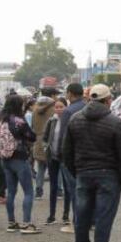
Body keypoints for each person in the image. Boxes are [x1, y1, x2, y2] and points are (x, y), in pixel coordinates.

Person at [62, 83, 121, 242]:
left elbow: (67, 152)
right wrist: (120, 179)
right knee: (103, 220)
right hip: (108, 175)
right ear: (108, 100)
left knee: (82, 219)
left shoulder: (75, 119)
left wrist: (77, 172)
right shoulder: (115, 122)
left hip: (83, 174)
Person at [0, 93, 40, 234]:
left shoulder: (2, 120)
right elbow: (32, 136)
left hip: (6, 159)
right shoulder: (19, 121)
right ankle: (26, 223)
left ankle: (11, 222)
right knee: (28, 191)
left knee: (11, 191)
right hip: (20, 159)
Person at [55, 82, 86, 233]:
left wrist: (59, 154)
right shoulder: (87, 107)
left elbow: (63, 136)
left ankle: (76, 222)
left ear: (70, 94)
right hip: (86, 155)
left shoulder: (68, 112)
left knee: (74, 191)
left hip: (70, 156)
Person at [42, 97, 72, 226]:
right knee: (53, 186)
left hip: (65, 158)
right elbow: (45, 137)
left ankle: (66, 214)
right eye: (57, 107)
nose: (59, 109)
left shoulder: (69, 121)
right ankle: (52, 215)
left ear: (66, 107)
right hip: (52, 157)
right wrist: (45, 147)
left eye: (61, 107)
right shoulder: (51, 121)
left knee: (67, 186)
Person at [30, 94, 56, 198]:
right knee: (54, 169)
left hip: (38, 140)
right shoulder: (53, 111)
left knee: (41, 168)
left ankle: (38, 191)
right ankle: (57, 190)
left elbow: (32, 126)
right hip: (50, 141)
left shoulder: (34, 111)